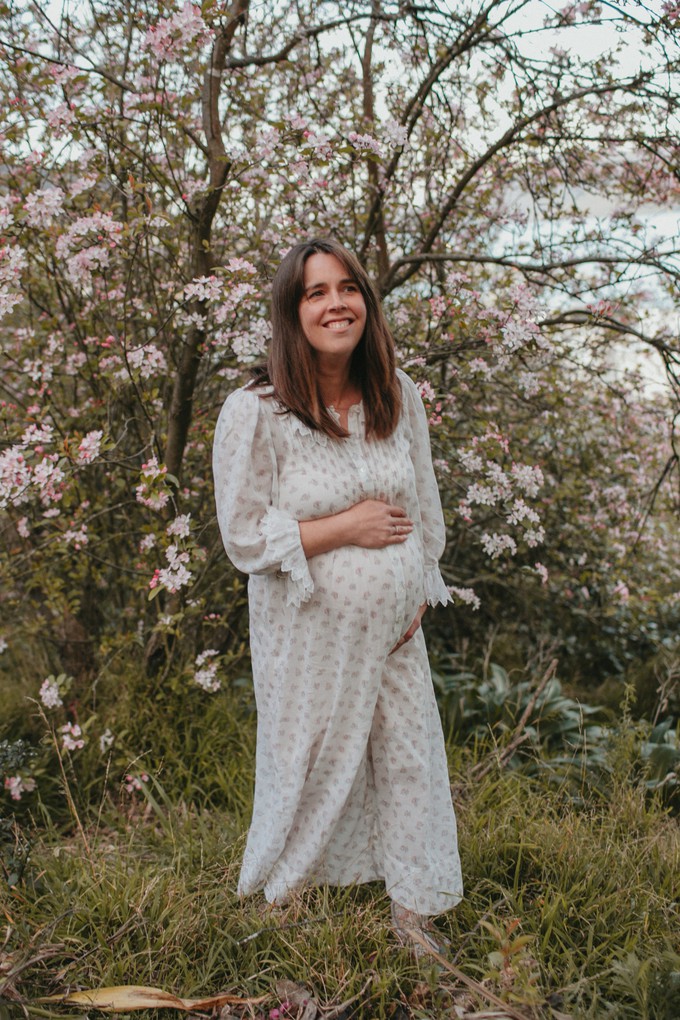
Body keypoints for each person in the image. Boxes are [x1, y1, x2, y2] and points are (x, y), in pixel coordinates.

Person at [212, 237, 463, 954]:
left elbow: (427, 512)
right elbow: (245, 537)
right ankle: (285, 899)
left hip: (393, 633)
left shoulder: (397, 393)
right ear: (293, 312)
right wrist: (345, 526)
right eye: (316, 293)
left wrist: (419, 586)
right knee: (311, 763)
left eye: (347, 288)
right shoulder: (256, 412)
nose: (335, 304)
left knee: (407, 758)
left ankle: (414, 913)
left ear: (366, 303)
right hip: (308, 634)